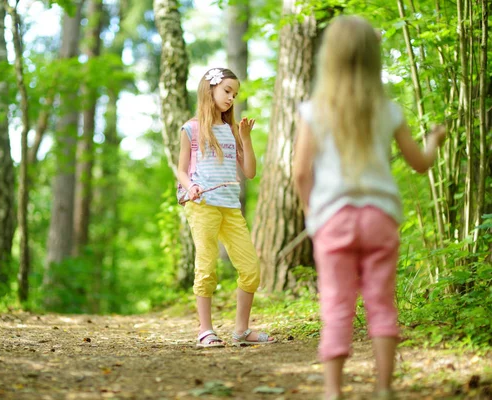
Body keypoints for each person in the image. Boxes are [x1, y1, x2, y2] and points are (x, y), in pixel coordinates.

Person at [292, 16, 446, 400]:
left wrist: (312, 216)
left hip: (333, 219)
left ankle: (332, 391)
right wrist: (434, 139)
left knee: (336, 303)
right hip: (379, 217)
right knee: (380, 301)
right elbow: (420, 163)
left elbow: (299, 173)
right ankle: (384, 388)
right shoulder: (388, 110)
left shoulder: (314, 111)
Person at [177, 67, 276, 348]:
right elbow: (181, 170)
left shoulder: (232, 130)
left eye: (235, 94)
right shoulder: (191, 128)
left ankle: (241, 331)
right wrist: (190, 187)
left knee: (250, 269)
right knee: (206, 267)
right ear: (210, 90)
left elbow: (250, 172)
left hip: (231, 207)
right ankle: (205, 330)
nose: (231, 98)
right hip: (203, 204)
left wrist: (245, 137)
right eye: (227, 91)